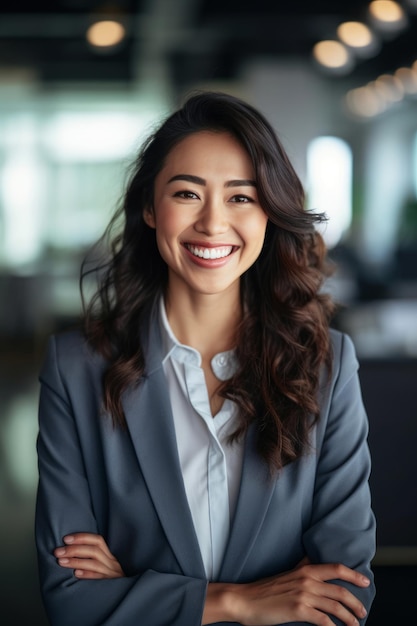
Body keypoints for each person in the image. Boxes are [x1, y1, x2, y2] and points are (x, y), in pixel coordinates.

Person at [35, 91, 376, 626]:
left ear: (270, 212)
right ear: (151, 207)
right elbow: (69, 600)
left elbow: (344, 592)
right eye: (188, 193)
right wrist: (238, 603)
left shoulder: (328, 365)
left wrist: (135, 593)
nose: (213, 224)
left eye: (241, 197)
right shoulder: (75, 368)